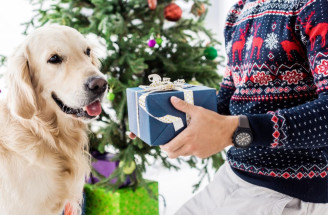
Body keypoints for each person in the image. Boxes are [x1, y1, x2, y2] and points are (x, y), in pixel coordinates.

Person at [131, 0, 328, 214]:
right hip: (237, 175)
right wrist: (164, 117)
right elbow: (229, 98)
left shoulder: (315, 6)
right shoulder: (240, 10)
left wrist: (235, 131)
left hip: (290, 194)